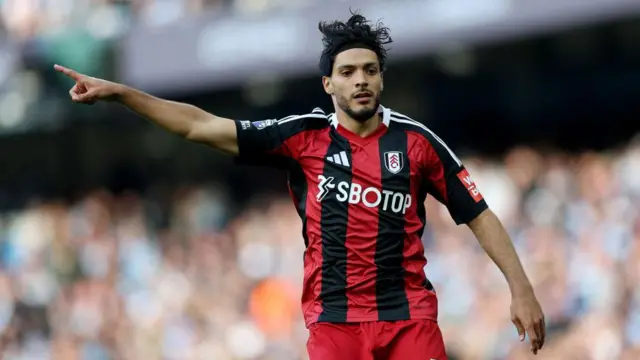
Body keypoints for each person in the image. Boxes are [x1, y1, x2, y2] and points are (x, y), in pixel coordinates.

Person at [54, 11, 545, 360]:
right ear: (328, 84)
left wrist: (520, 290)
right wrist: (123, 95)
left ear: (382, 79)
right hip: (333, 322)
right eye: (348, 72)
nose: (360, 81)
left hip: (408, 318)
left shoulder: (418, 143)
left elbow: (479, 214)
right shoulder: (302, 137)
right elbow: (199, 127)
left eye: (370, 71)